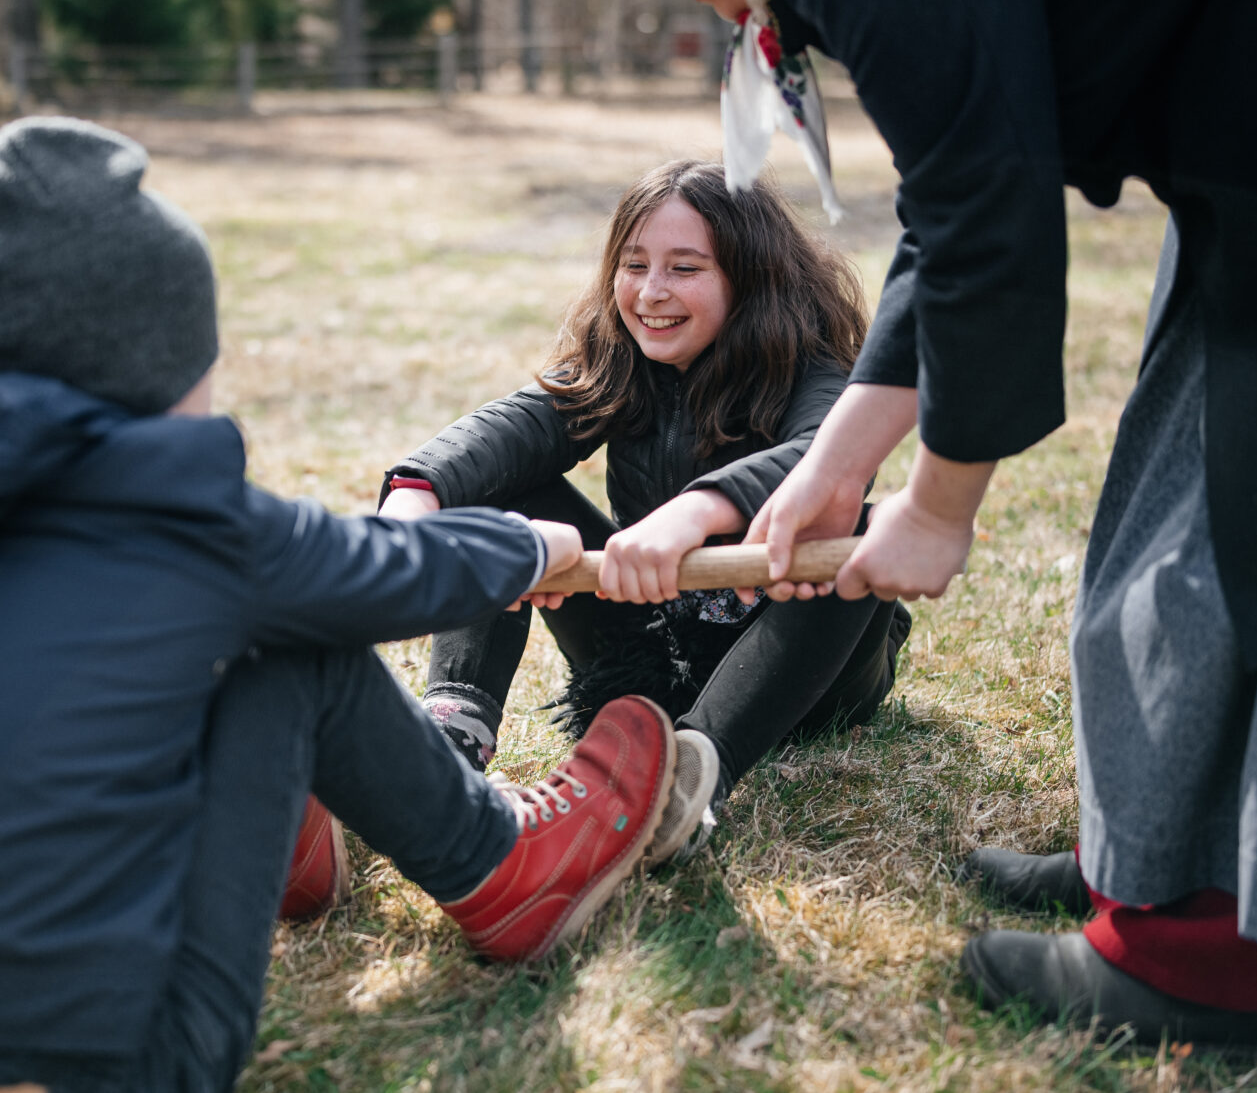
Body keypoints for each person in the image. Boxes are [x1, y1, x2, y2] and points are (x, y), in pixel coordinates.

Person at [503, 0, 1257, 1047]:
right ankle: (1163, 872)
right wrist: (838, 471)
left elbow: (995, 217)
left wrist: (938, 505)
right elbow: (952, 218)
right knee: (1168, 522)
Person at [0, 118, 682, 1093]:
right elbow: (379, 572)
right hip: (84, 1065)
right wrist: (533, 542)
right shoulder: (177, 518)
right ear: (153, 364)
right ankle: (502, 868)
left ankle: (294, 840)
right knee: (290, 643)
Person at [381, 158, 908, 865]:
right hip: (646, 650)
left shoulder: (811, 371)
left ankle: (695, 773)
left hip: (802, 676)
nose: (651, 292)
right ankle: (451, 734)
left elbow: (829, 455)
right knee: (494, 488)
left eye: (685, 268)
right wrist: (416, 493)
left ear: (749, 278)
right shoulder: (620, 363)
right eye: (635, 265)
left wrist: (694, 512)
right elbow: (517, 428)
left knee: (862, 533)